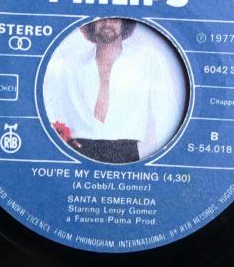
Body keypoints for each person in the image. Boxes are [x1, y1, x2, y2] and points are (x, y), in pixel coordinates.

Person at [44, 18, 182, 163]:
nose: (107, 24)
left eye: (114, 19)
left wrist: (169, 160)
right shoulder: (67, 65)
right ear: (91, 24)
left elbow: (166, 112)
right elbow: (49, 108)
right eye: (101, 19)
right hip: (78, 150)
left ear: (124, 23)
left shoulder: (147, 60)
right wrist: (60, 144)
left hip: (125, 152)